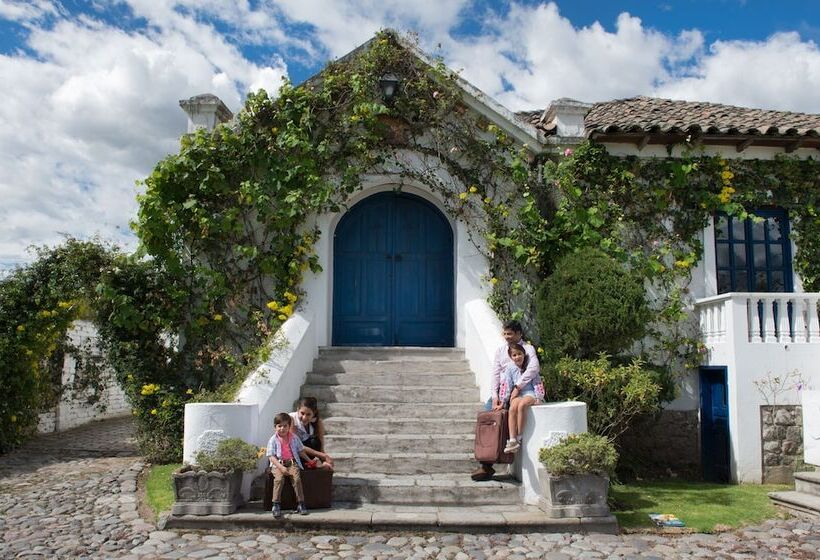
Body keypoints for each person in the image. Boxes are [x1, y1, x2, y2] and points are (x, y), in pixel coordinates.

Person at [471, 319, 540, 481]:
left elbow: (533, 369)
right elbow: (495, 374)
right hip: (502, 392)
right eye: (505, 334)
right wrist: (495, 397)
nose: (507, 337)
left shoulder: (528, 349)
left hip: (521, 392)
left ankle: (508, 449)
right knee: (488, 422)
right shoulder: (501, 351)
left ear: (519, 334)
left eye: (510, 334)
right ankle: (486, 466)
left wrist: (517, 387)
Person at [499, 342, 545, 453]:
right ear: (511, 357)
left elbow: (537, 382)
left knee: (522, 405)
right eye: (514, 355)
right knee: (513, 407)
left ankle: (519, 436)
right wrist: (503, 400)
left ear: (523, 354)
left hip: (530, 393)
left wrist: (539, 397)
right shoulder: (510, 368)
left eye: (519, 354)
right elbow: (507, 383)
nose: (517, 357)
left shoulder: (529, 366)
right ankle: (512, 439)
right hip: (518, 394)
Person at [266, 412, 311, 518]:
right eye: (279, 426)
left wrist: (309, 460)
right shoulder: (273, 440)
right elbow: (271, 456)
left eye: (285, 426)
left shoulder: (294, 438)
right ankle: (276, 504)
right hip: (278, 464)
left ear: (289, 426)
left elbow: (300, 451)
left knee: (296, 479)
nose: (282, 428)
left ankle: (301, 503)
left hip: (292, 463)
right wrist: (281, 467)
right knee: (278, 480)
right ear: (275, 427)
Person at [290, 397, 334, 470]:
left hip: (305, 452)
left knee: (315, 441)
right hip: (292, 452)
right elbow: (296, 445)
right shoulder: (291, 419)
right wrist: (323, 455)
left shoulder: (317, 422)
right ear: (298, 410)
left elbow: (320, 445)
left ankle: (313, 465)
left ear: (314, 413)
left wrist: (324, 459)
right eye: (302, 413)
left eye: (308, 414)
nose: (304, 417)